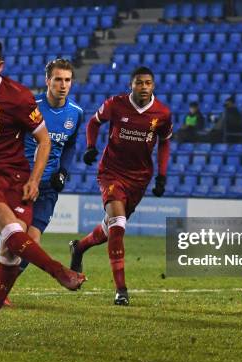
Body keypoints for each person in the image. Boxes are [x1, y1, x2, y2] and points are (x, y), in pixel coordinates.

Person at [0, 36, 86, 346]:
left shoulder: (19, 99)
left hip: (18, 177)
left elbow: (46, 141)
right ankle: (58, 270)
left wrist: (35, 179)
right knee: (12, 229)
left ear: (1, 67)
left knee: (12, 249)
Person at [0, 58, 84, 305]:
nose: (63, 85)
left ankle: (0, 283)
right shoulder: (30, 106)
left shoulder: (76, 113)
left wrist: (64, 171)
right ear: (47, 81)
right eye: (58, 80)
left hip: (49, 186)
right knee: (18, 234)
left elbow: (71, 145)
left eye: (67, 80)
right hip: (23, 181)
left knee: (32, 241)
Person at [68, 66, 172, 306]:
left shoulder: (162, 113)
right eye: (139, 83)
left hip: (140, 178)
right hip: (112, 172)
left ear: (153, 85)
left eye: (147, 83)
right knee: (118, 226)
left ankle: (80, 247)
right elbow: (93, 123)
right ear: (131, 85)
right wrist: (91, 146)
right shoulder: (115, 104)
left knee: (111, 227)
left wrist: (162, 176)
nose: (143, 87)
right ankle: (121, 289)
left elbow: (165, 143)